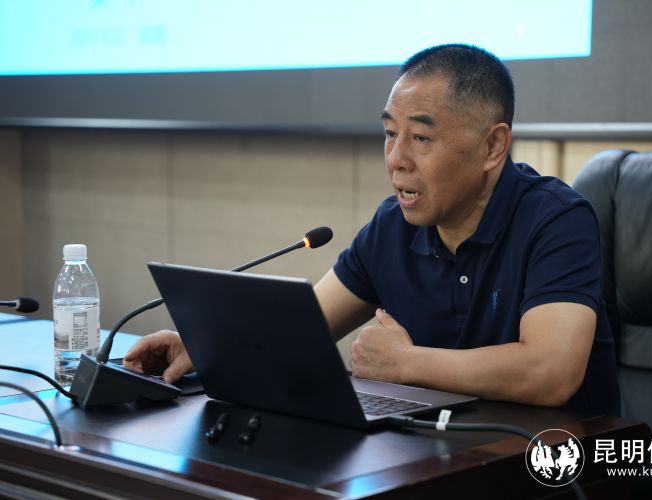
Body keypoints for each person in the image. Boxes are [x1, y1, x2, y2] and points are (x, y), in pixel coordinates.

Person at [125, 44, 619, 415]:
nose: (396, 159)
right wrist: (204, 346)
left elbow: (551, 372)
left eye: (420, 137)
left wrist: (406, 363)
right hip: (438, 460)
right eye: (389, 134)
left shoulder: (556, 220)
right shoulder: (392, 225)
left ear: (493, 146)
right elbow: (297, 331)